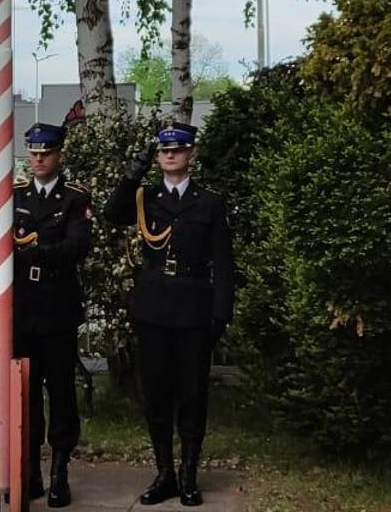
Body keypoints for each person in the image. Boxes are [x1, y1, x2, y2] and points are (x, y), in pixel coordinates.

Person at [103, 121, 234, 507]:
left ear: (190, 154)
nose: (170, 155)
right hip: (155, 308)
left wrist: (220, 316)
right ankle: (165, 473)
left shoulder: (209, 203)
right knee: (156, 395)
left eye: (177, 149)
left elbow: (224, 264)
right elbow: (113, 212)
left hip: (194, 310)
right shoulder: (146, 198)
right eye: (163, 151)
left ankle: (189, 473)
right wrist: (136, 168)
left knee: (193, 396)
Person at [11, 122, 94, 507]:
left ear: (59, 154)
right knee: (25, 394)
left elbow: (78, 246)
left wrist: (39, 253)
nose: (39, 158)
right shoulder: (14, 195)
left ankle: (60, 470)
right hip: (24, 307)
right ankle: (29, 471)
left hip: (58, 307)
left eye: (46, 152)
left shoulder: (75, 198)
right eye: (34, 152)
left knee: (60, 392)